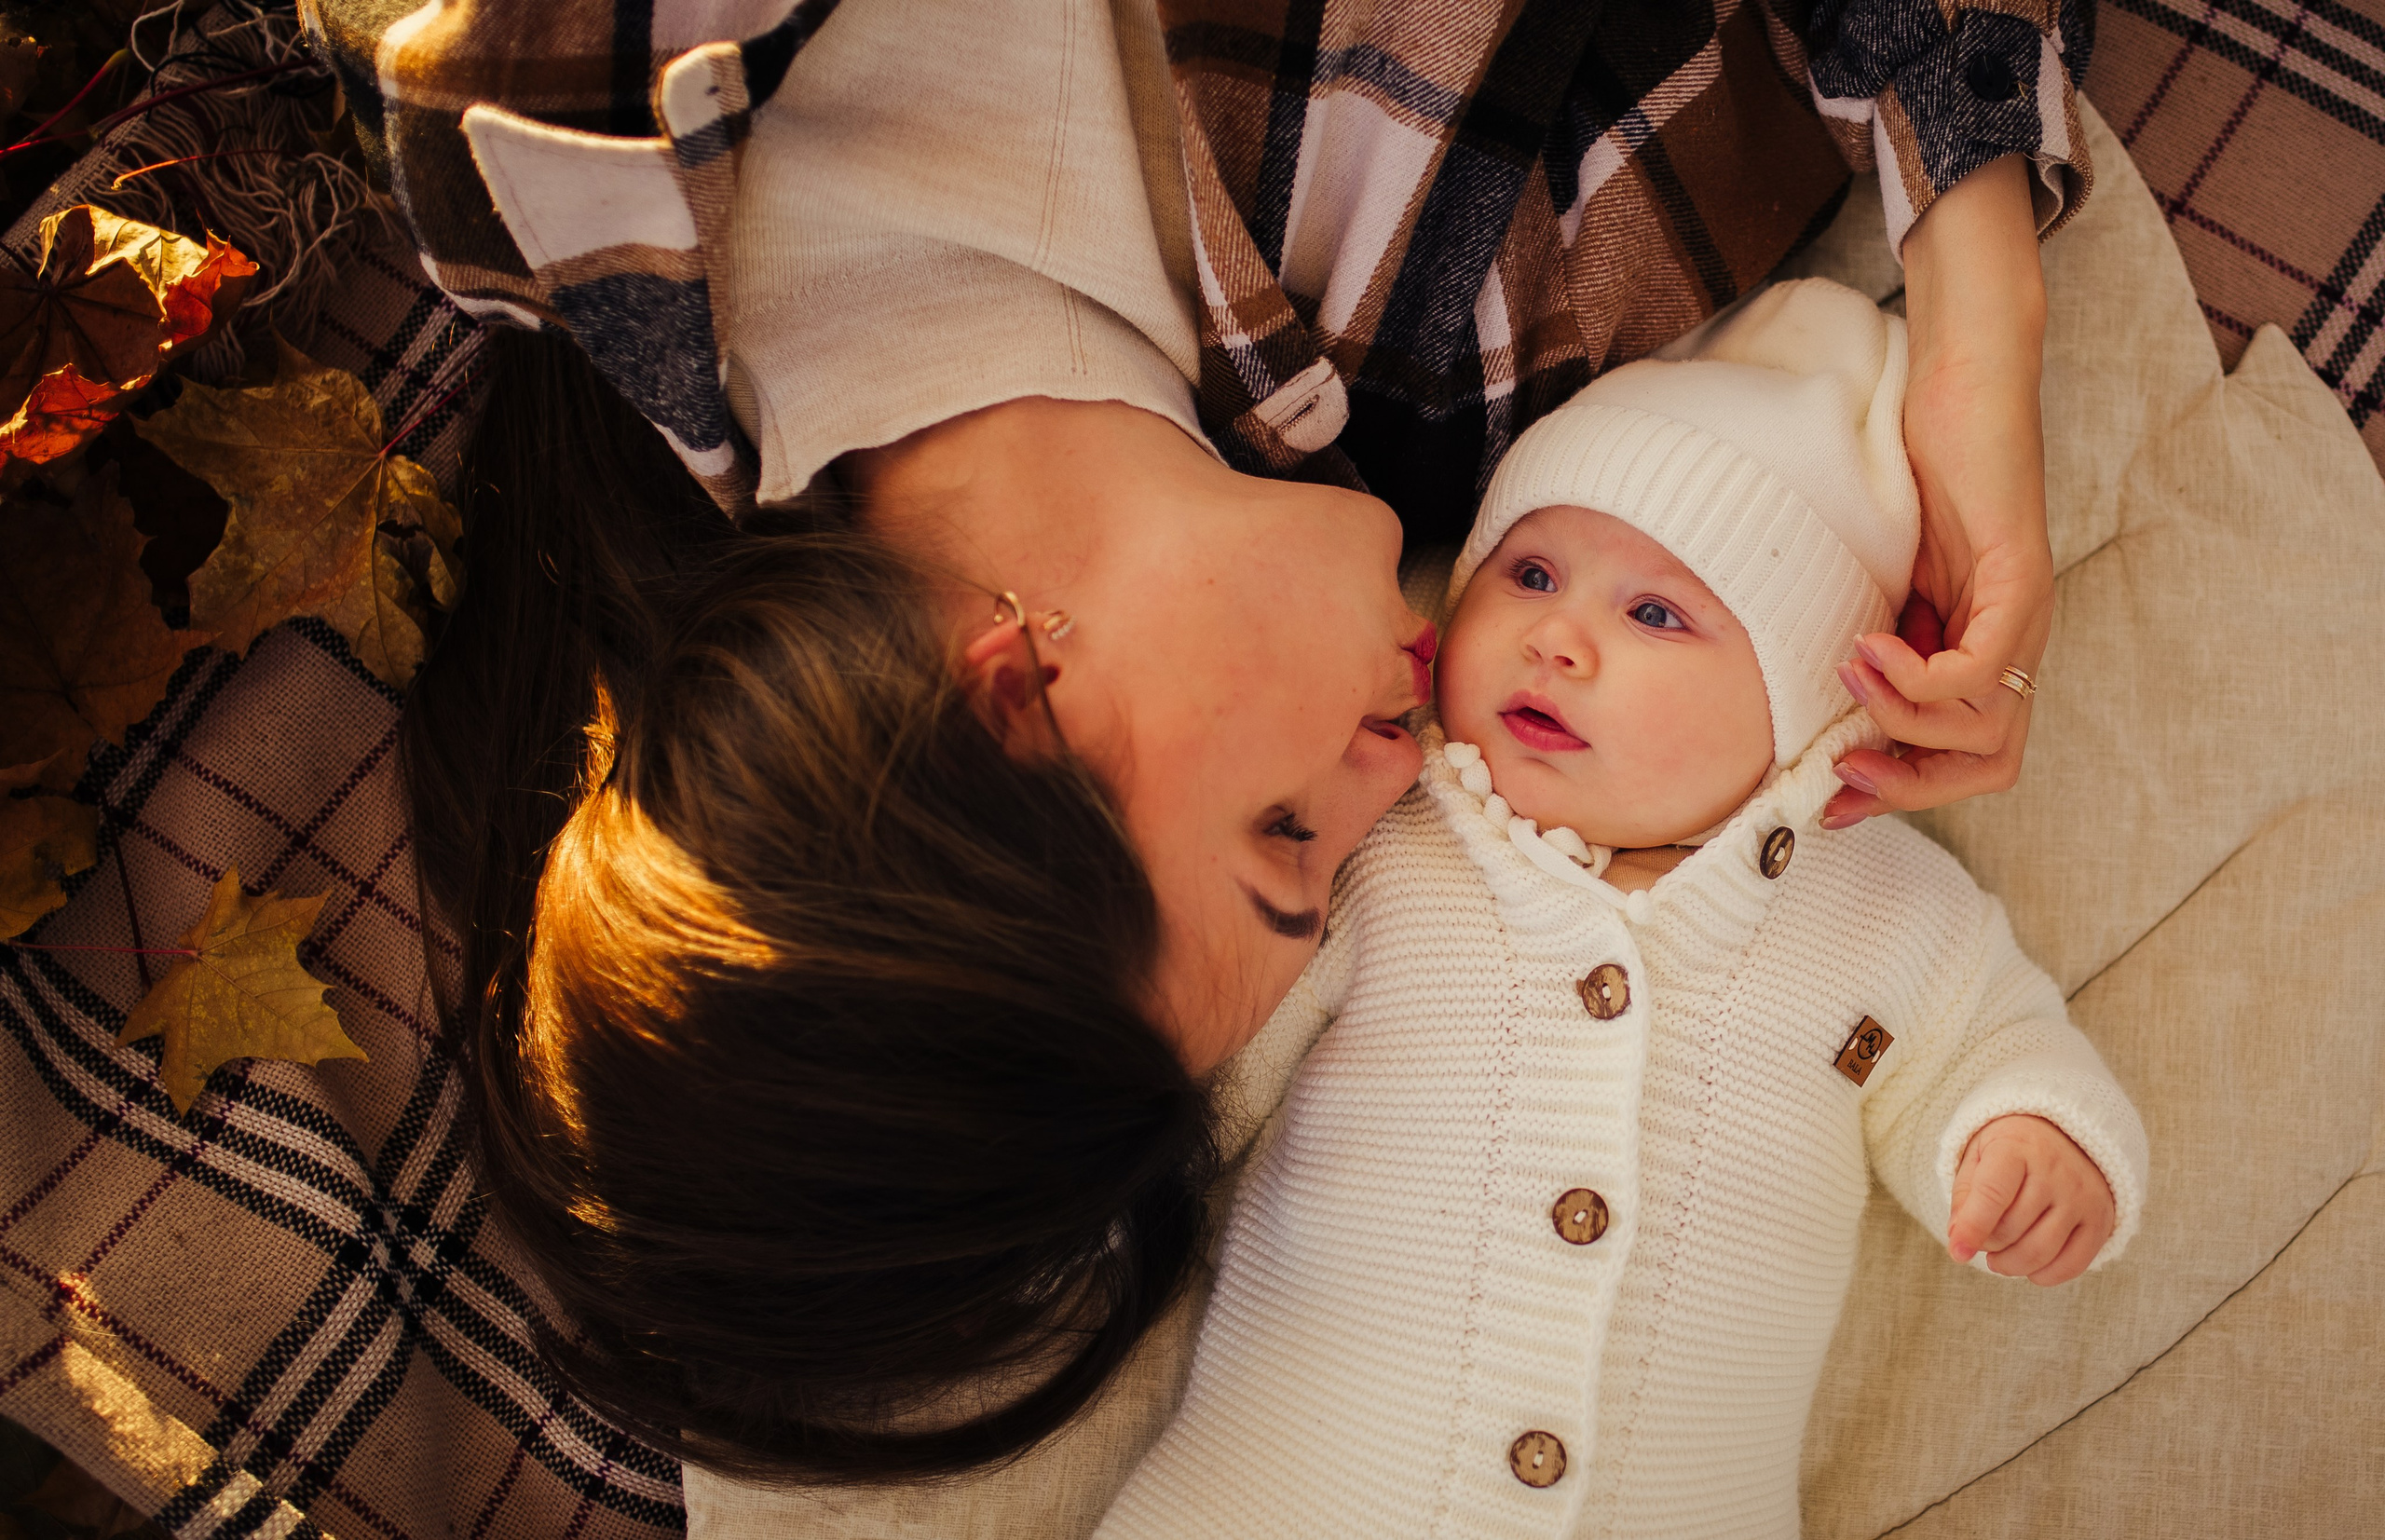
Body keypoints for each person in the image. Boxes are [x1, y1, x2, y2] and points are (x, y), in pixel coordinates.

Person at [331, 0, 2100, 1483]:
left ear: (1004, 687)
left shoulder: (544, 148)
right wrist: (1978, 329)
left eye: (1280, 839)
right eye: (1341, 876)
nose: (1401, 775)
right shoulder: (1508, 337)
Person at [1094, 279, 2147, 1537]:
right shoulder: (1388, 842)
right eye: (1530, 571)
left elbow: (1977, 1046)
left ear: (1808, 707)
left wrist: (2025, 1135)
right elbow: (1215, 1050)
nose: (1558, 639)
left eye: (1655, 614)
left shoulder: (1888, 906)